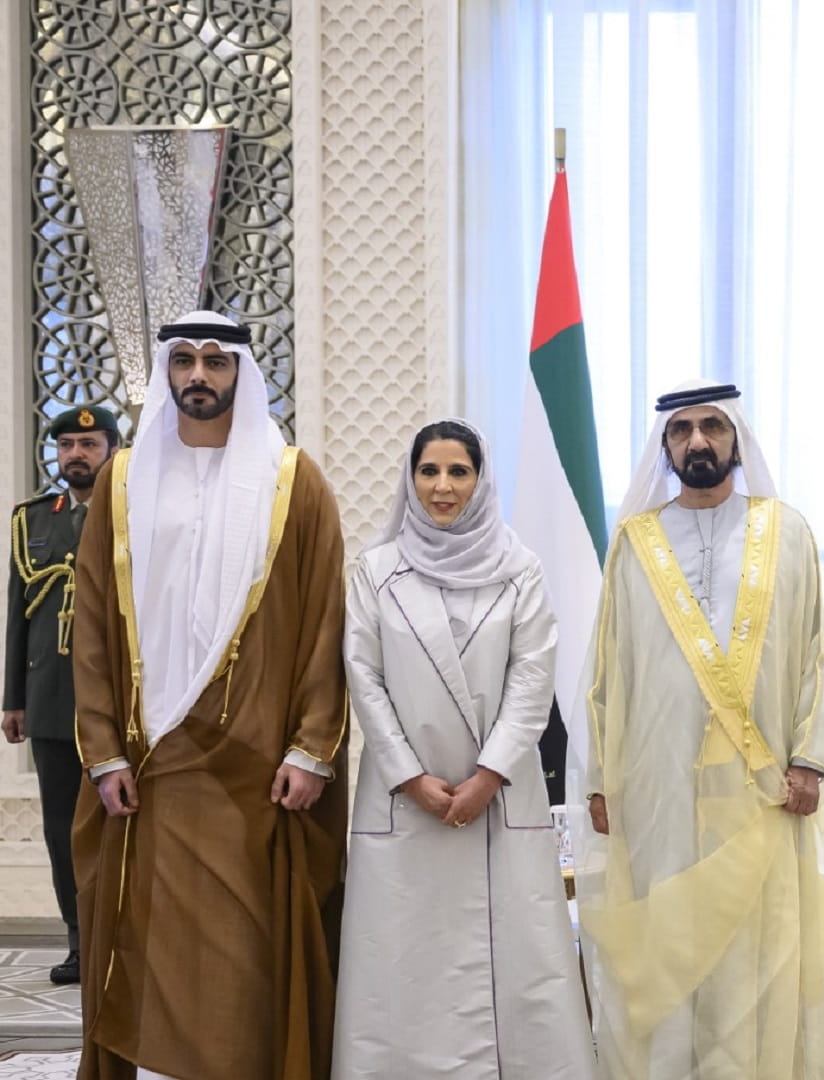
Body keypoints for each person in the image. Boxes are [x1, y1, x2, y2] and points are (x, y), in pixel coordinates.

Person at [69, 311, 349, 1080]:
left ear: (241, 374)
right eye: (186, 361)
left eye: (216, 363)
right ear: (166, 371)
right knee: (149, 943)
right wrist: (101, 751)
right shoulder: (122, 482)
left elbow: (327, 620)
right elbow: (91, 625)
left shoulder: (293, 481)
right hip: (147, 767)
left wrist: (311, 747)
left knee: (243, 955)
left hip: (255, 768)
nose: (199, 376)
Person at [577, 380, 824, 1079]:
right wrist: (596, 781)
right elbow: (606, 671)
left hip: (761, 782)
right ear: (666, 446)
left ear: (737, 439)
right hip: (656, 781)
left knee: (754, 943)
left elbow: (812, 657)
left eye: (712, 427)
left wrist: (811, 760)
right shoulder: (634, 543)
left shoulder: (785, 529)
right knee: (668, 936)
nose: (698, 441)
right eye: (682, 430)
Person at [334, 419, 593, 1076]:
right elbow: (362, 675)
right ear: (410, 478)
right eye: (430, 471)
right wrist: (409, 776)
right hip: (404, 800)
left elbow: (534, 675)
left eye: (459, 471)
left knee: (515, 961)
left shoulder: (519, 568)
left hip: (498, 800)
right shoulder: (373, 570)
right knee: (403, 962)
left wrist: (487, 775)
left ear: (481, 480)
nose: (443, 486)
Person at [4, 404, 119, 985]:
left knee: (123, 823)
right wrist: (12, 699)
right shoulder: (35, 520)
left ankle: (122, 937)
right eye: (67, 444)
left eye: (88, 443)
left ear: (111, 449)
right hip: (50, 699)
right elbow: (17, 617)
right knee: (60, 828)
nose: (76, 453)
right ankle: (79, 942)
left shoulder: (132, 513)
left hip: (122, 702)